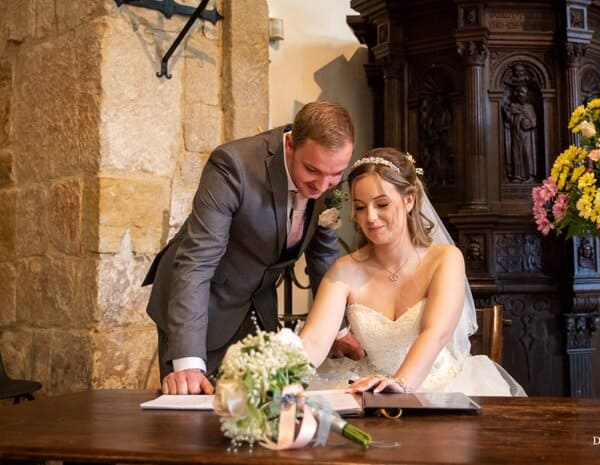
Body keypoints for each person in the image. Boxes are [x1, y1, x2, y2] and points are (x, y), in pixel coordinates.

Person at [143, 101, 364, 395]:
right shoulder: (233, 165)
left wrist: (339, 329)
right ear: (289, 146)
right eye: (312, 170)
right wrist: (187, 362)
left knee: (259, 411)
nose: (323, 186)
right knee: (194, 419)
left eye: (335, 175)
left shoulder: (327, 173)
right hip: (203, 303)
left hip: (258, 306)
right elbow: (197, 262)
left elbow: (322, 255)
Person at [300, 148, 525, 396]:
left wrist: (400, 385)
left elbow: (435, 333)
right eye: (361, 208)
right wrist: (278, 374)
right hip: (370, 388)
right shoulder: (344, 270)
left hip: (443, 389)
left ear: (409, 200)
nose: (370, 218)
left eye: (382, 204)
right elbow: (314, 339)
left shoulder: (445, 259)